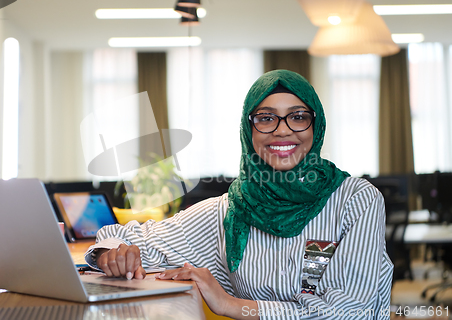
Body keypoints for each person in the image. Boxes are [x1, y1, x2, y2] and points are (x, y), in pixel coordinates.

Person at [84, 70, 392, 319]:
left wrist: (231, 305)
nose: (283, 130)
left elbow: (351, 312)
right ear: (249, 132)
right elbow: (124, 237)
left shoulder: (356, 200)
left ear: (316, 126)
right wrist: (113, 253)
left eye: (298, 116)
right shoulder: (229, 211)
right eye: (266, 118)